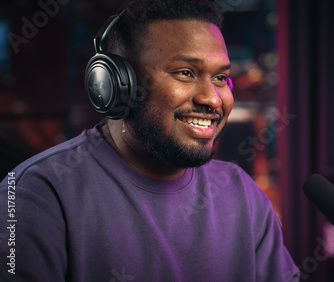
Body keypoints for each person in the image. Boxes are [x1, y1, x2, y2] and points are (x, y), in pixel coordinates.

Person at [0, 0, 300, 281]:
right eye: (185, 72)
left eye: (220, 78)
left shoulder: (243, 195)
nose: (211, 98)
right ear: (118, 85)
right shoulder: (34, 193)